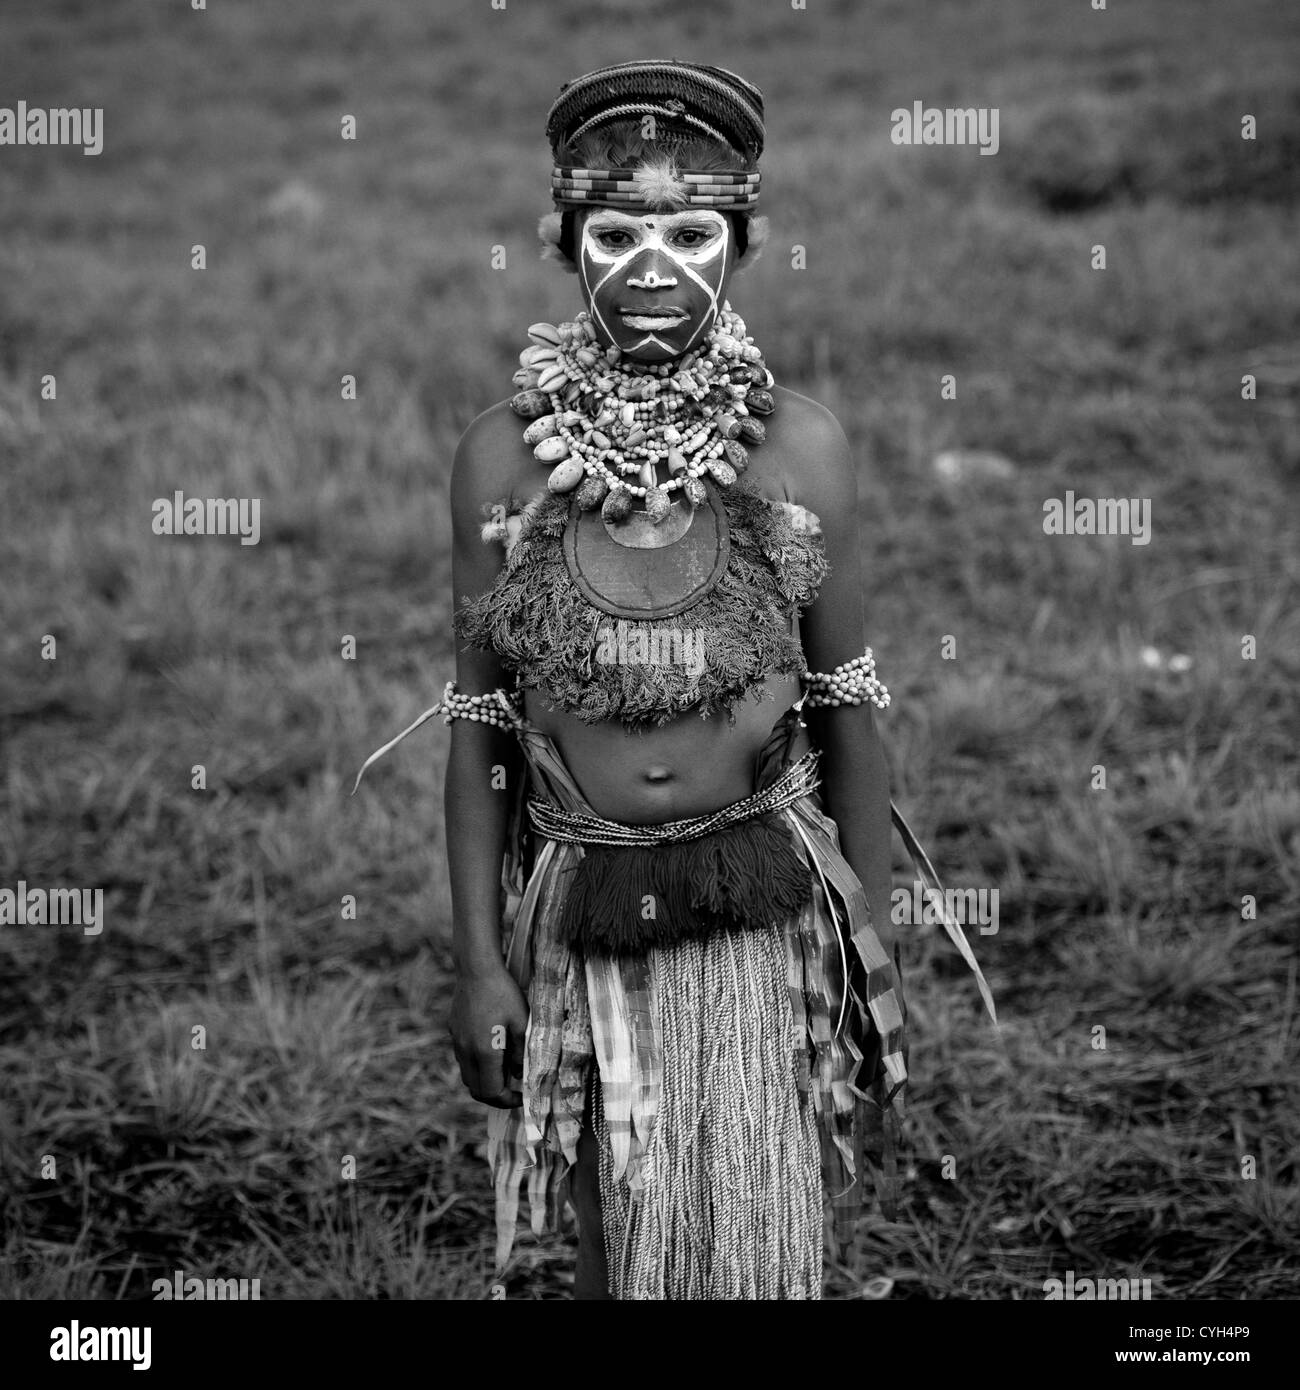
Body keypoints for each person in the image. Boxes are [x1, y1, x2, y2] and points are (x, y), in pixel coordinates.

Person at [357, 59, 993, 1300]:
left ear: (742, 247)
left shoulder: (798, 447)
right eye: (615, 232)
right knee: (618, 1218)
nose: (653, 267)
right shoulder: (504, 455)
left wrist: (865, 927)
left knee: (765, 1206)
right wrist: (480, 962)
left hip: (766, 897)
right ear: (565, 244)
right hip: (580, 898)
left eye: (692, 231)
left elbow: (848, 699)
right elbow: (481, 717)